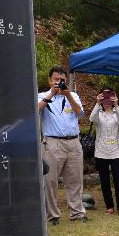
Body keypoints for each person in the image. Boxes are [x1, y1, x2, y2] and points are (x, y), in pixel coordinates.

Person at [38, 66, 86, 224]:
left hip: (73, 142)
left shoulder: (73, 95)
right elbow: (34, 111)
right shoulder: (43, 95)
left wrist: (67, 95)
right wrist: (52, 94)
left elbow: (80, 113)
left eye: (62, 80)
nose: (59, 83)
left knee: (75, 179)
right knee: (50, 181)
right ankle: (53, 216)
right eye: (56, 80)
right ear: (49, 80)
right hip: (53, 143)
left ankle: (77, 213)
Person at [90, 88, 119, 216]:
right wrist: (97, 103)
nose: (107, 100)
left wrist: (116, 105)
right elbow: (92, 118)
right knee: (104, 180)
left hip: (116, 151)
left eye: (109, 96)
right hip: (101, 151)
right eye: (104, 96)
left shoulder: (117, 112)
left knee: (118, 180)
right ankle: (109, 206)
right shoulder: (98, 113)